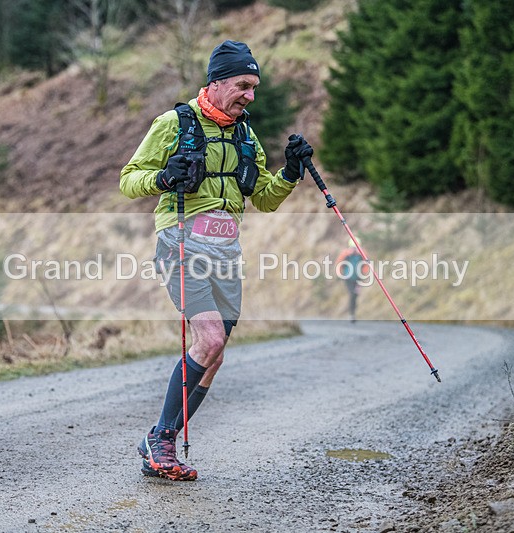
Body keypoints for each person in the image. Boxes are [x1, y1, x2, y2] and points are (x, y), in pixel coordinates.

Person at [120, 40, 313, 481]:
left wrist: (289, 173)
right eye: (243, 85)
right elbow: (129, 181)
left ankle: (159, 441)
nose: (250, 95)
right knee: (208, 340)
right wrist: (165, 177)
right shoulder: (175, 123)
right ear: (217, 81)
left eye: (254, 87)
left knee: (215, 352)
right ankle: (161, 438)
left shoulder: (245, 135)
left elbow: (263, 199)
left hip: (226, 253)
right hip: (181, 243)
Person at [335, 239, 367, 323]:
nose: (354, 249)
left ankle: (353, 313)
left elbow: (366, 265)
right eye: (353, 247)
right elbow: (339, 263)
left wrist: (363, 275)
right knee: (352, 294)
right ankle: (351, 314)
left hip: (358, 279)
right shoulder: (345, 253)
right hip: (348, 278)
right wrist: (340, 274)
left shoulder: (362, 254)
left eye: (356, 247)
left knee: (355, 295)